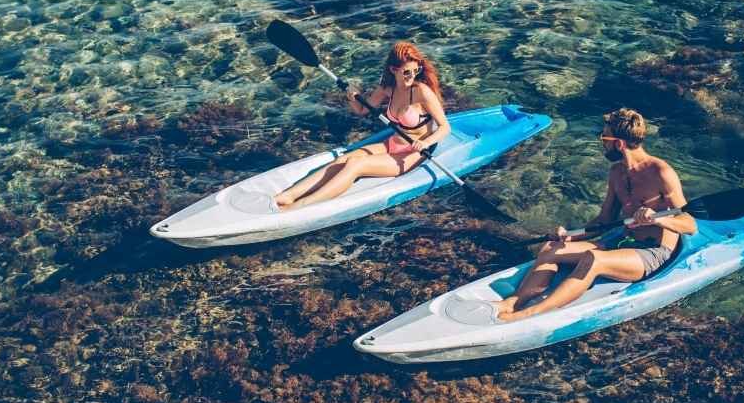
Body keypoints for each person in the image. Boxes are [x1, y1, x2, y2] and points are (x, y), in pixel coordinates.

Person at [494, 108, 697, 321]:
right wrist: (570, 236)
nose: (601, 143)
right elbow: (604, 220)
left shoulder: (661, 173)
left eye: (604, 138)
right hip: (622, 242)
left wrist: (659, 218)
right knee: (550, 248)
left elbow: (690, 224)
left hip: (652, 252)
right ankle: (514, 302)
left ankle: (530, 314)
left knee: (594, 259)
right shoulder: (617, 173)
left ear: (619, 144)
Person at [274, 41, 451, 211]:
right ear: (393, 69)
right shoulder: (387, 88)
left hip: (413, 154)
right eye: (406, 72)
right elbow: (362, 110)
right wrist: (352, 97)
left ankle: (301, 206)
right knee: (342, 160)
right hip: (393, 144)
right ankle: (288, 196)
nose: (412, 77)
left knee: (355, 165)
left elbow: (444, 127)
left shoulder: (421, 91)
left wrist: (425, 143)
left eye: (415, 71)